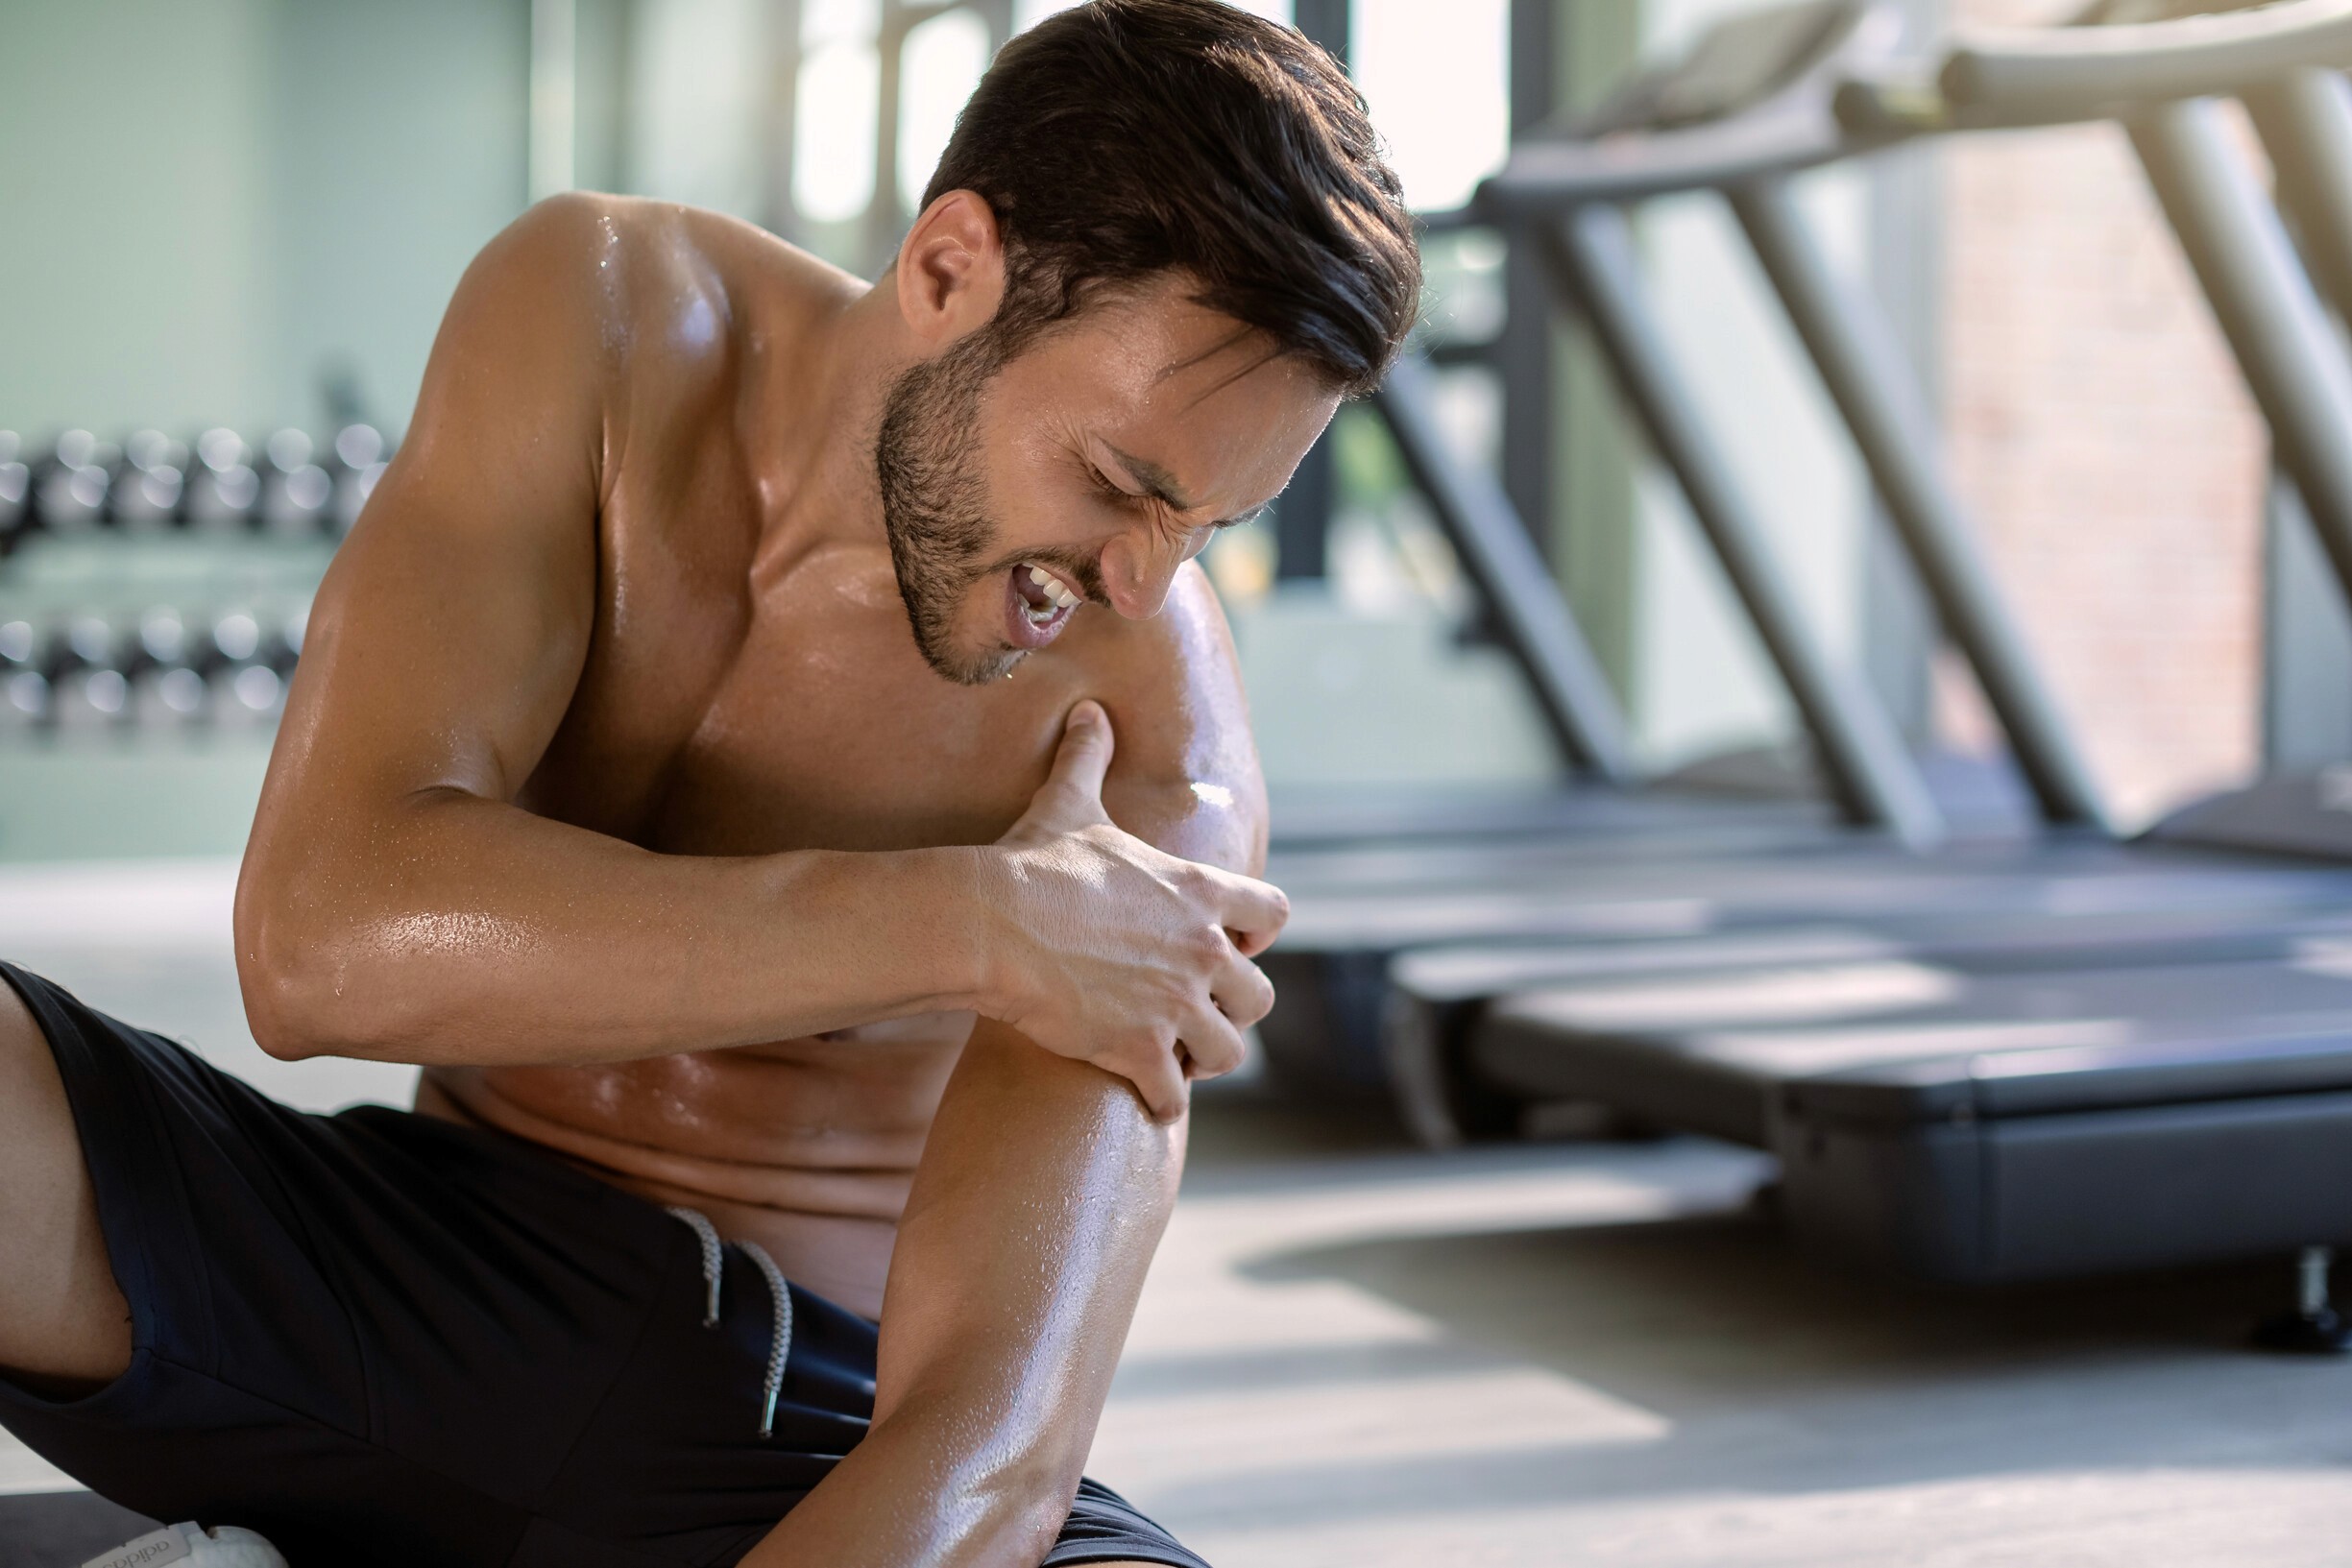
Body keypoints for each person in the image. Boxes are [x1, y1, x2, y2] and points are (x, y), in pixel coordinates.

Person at [0, 2, 1418, 1563]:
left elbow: (990, 1444)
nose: (1140, 580)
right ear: (950, 268)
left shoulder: (1154, 746)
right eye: (1120, 484)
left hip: (791, 1424)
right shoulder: (602, 321)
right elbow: (318, 942)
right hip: (410, 1273)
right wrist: (977, 918)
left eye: (1208, 524)